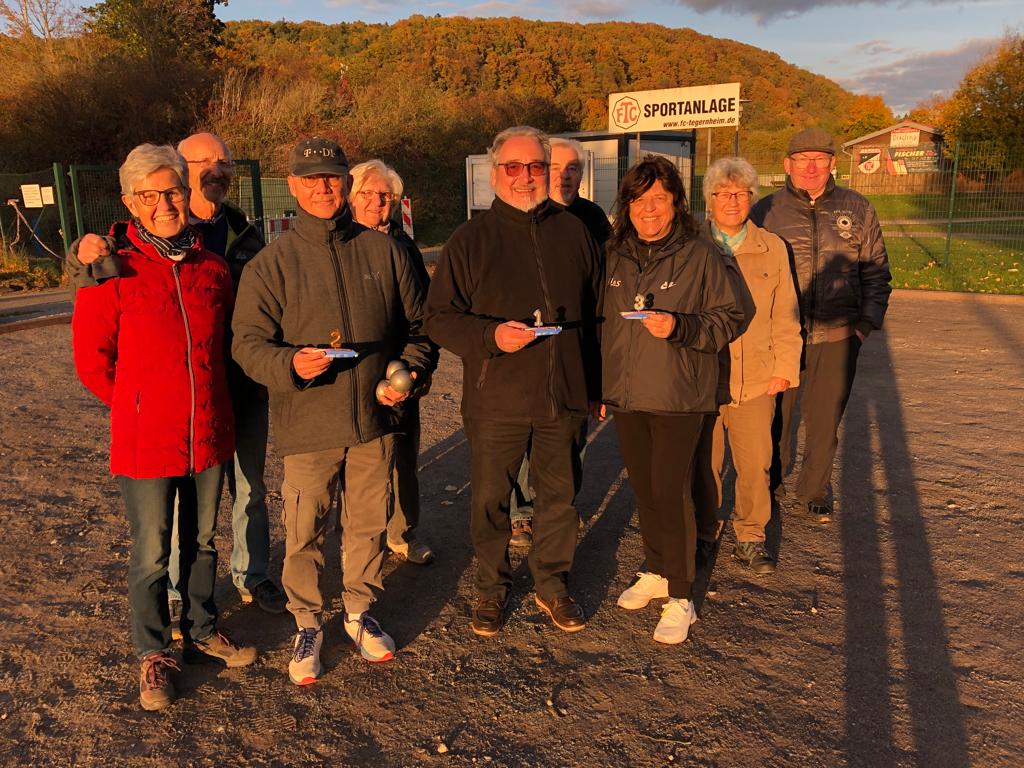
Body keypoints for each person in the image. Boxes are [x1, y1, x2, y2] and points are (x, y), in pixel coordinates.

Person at [232, 137, 436, 684]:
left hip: (376, 417)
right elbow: (247, 344)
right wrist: (290, 366)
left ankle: (358, 610)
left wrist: (410, 375)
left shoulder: (385, 251)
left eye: (332, 178)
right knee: (304, 528)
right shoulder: (272, 264)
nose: (323, 187)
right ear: (293, 186)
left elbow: (422, 330)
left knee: (368, 523)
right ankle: (306, 621)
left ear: (346, 182)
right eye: (311, 179)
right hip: (309, 421)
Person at [67, 132, 286, 617]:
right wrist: (139, 399)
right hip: (173, 405)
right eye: (204, 160)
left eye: (225, 161)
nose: (218, 169)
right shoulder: (127, 242)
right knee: (178, 514)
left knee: (248, 487)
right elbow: (96, 315)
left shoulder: (243, 231)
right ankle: (173, 594)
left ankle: (251, 575)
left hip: (238, 388)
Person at [425, 125, 603, 637]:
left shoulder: (574, 232)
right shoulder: (469, 239)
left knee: (560, 496)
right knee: (490, 500)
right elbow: (439, 317)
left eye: (535, 167)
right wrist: (489, 336)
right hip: (497, 393)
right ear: (493, 172)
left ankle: (551, 583)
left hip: (563, 391)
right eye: (514, 167)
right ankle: (491, 588)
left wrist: (597, 383)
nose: (525, 177)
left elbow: (597, 315)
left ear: (547, 171)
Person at [601, 155, 745, 644]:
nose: (648, 209)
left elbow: (731, 316)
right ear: (627, 204)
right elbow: (604, 324)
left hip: (680, 393)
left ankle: (682, 595)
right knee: (645, 488)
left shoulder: (700, 254)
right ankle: (658, 570)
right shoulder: (614, 253)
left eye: (658, 200)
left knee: (671, 489)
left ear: (676, 203)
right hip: (627, 392)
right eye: (638, 200)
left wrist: (682, 327)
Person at [749, 128, 892, 520]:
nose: (810, 167)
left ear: (832, 163)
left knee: (825, 418)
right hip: (782, 334)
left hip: (839, 332)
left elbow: (876, 271)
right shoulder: (765, 210)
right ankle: (769, 485)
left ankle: (813, 489)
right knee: (776, 416)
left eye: (819, 159)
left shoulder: (858, 207)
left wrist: (864, 326)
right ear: (787, 165)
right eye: (802, 159)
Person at [507, 136, 612, 548]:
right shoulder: (523, 215)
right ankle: (521, 512)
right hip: (529, 344)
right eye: (556, 169)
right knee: (525, 434)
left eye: (574, 171)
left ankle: (560, 504)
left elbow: (605, 281)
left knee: (572, 432)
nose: (565, 177)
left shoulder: (592, 218)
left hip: (577, 342)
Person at [699, 157, 802, 574]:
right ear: (709, 200)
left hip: (756, 376)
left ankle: (750, 535)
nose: (732, 201)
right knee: (703, 463)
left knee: (755, 463)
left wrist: (785, 367)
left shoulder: (772, 248)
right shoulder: (692, 245)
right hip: (703, 377)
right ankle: (704, 533)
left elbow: (787, 312)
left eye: (740, 193)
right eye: (723, 193)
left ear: (751, 199)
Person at [346, 159, 438, 566]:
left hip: (400, 368)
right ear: (352, 197)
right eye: (367, 193)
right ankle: (358, 539)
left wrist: (421, 367)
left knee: (403, 457)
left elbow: (426, 314)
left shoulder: (405, 247)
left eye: (385, 195)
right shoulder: (340, 245)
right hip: (351, 369)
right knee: (356, 463)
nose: (377, 201)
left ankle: (403, 533)